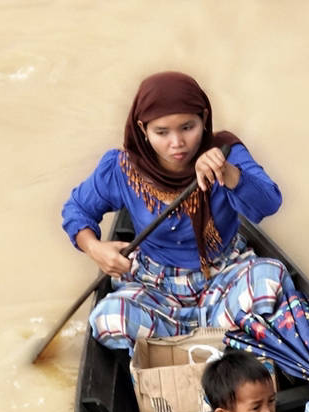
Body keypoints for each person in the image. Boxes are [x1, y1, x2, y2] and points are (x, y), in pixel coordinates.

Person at [61, 71, 288, 353]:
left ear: (204, 118)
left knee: (270, 276)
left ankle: (179, 346)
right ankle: (221, 340)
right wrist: (95, 249)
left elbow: (269, 203)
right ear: (143, 129)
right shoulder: (121, 168)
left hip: (224, 273)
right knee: (108, 318)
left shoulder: (226, 152)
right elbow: (77, 210)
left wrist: (226, 171)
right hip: (155, 284)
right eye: (162, 132)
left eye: (187, 127)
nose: (177, 143)